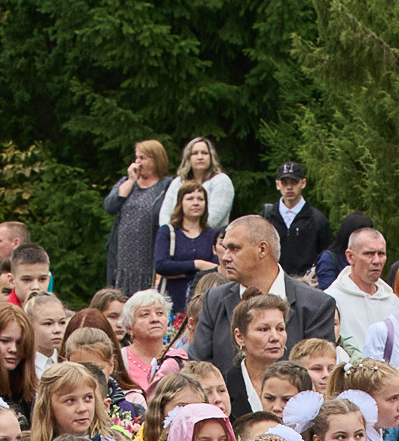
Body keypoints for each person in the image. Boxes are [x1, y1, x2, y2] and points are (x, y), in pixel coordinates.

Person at [189, 216, 340, 380]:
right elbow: (198, 370)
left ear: (262, 249)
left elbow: (320, 375)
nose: (225, 257)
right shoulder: (214, 300)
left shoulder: (316, 305)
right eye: (225, 249)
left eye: (234, 249)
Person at [102, 140, 172, 300]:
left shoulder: (167, 186)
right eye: (136, 158)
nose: (137, 162)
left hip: (148, 257)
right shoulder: (125, 183)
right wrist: (131, 180)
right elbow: (110, 206)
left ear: (156, 160)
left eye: (143, 158)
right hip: (123, 259)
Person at [325, 223, 399, 355]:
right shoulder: (331, 300)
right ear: (350, 256)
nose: (376, 260)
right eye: (369, 254)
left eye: (381, 253)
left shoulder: (393, 302)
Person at [152, 180, 218, 318]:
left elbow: (215, 269)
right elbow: (161, 266)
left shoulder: (212, 235)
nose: (196, 203)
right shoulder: (168, 232)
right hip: (171, 305)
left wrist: (179, 271)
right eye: (190, 198)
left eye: (200, 199)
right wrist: (197, 265)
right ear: (180, 203)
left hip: (203, 307)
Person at [261, 160, 332, 280]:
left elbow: (325, 255)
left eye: (294, 182)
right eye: (284, 183)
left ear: (303, 183)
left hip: (306, 283)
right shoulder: (267, 217)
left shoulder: (317, 220)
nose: (289, 187)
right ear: (277, 184)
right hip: (272, 281)